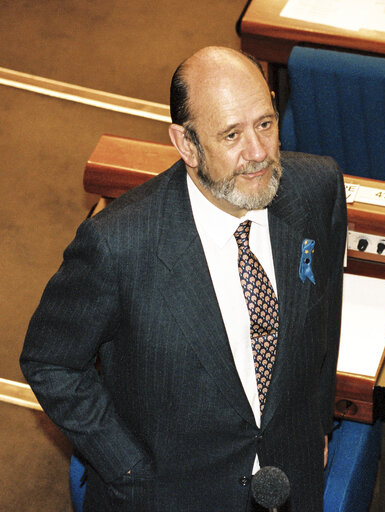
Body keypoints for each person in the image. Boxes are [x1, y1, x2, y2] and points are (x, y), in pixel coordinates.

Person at [20, 46, 347, 511]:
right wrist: (127, 468)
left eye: (266, 124)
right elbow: (49, 362)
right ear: (186, 144)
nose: (258, 153)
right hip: (169, 493)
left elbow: (325, 315)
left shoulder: (318, 189)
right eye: (232, 135)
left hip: (288, 479)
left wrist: (317, 423)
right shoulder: (117, 245)